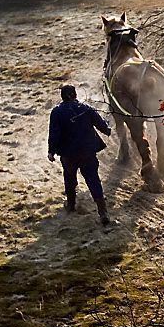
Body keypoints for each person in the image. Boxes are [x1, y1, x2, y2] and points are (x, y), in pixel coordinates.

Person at [47, 84, 113, 225]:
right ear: (75, 95)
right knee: (93, 179)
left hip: (68, 154)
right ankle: (103, 212)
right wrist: (107, 129)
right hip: (87, 152)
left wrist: (51, 151)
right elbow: (100, 123)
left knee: (70, 178)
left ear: (62, 96)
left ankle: (71, 205)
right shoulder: (86, 108)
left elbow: (54, 133)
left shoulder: (57, 112)